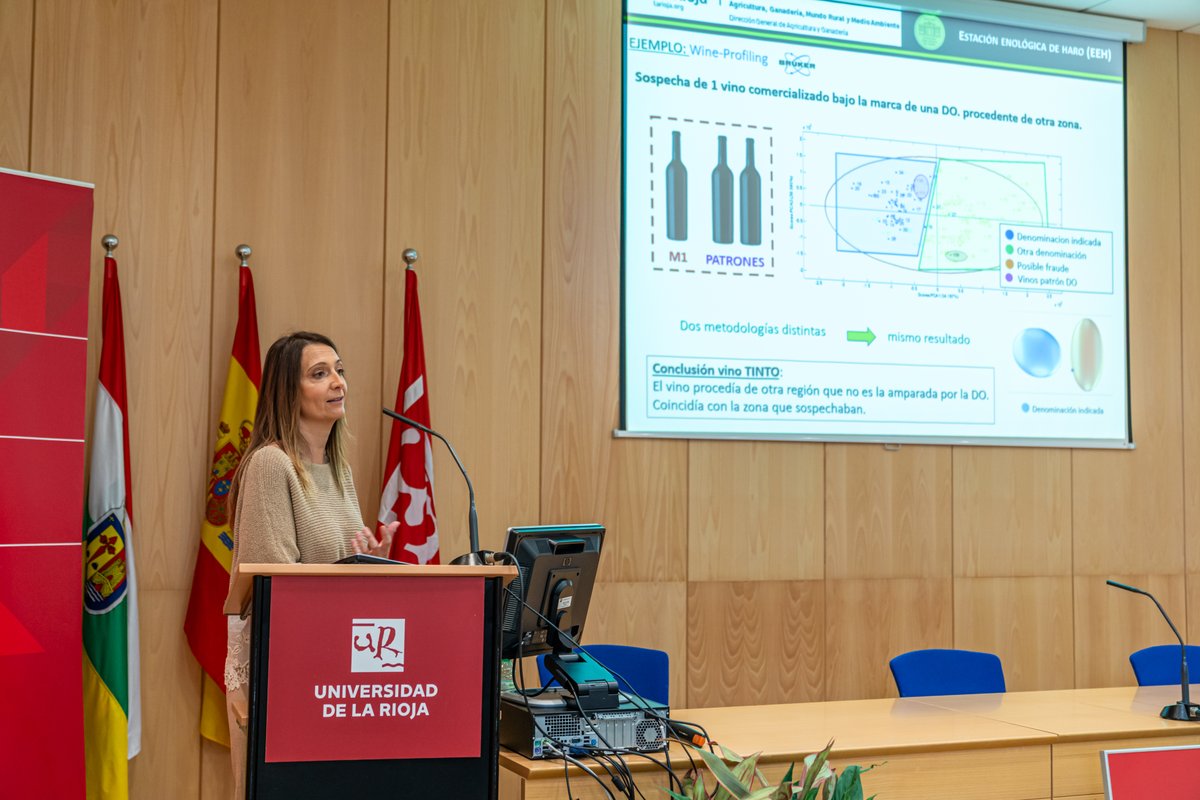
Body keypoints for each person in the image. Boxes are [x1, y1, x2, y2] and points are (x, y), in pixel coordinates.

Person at [222, 331, 398, 796]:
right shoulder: (270, 465)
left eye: (339, 370)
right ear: (288, 391)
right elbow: (274, 586)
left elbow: (337, 569)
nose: (338, 382)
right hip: (288, 681)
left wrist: (371, 564)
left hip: (337, 676)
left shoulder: (339, 469)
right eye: (320, 375)